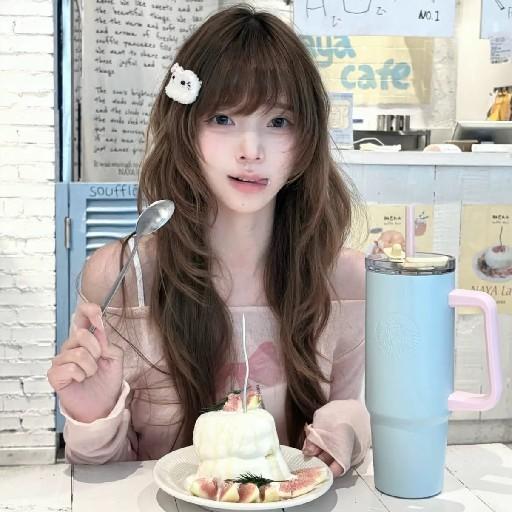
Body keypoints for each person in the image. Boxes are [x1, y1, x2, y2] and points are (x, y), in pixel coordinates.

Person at [48, 4, 371, 477]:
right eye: (222, 118)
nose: (251, 150)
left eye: (278, 122)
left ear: (306, 139)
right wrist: (93, 416)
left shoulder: (344, 280)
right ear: (186, 128)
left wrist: (349, 429)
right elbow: (107, 482)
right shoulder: (123, 278)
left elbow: (336, 457)